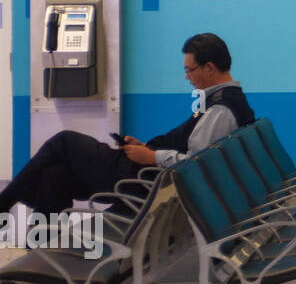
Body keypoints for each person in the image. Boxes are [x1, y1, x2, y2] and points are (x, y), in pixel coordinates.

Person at [0, 33, 255, 216]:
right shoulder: (216, 100)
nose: (186, 77)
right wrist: (145, 146)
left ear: (209, 67)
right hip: (149, 172)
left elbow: (196, 164)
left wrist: (152, 156)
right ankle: (43, 253)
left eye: (190, 70)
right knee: (54, 175)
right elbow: (186, 143)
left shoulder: (220, 108)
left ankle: (5, 202)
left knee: (64, 141)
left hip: (147, 180)